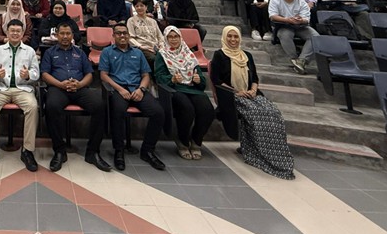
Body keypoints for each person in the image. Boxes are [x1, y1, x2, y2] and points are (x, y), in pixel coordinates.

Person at [210, 26, 294, 180]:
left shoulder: (247, 55)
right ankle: (256, 152)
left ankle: (275, 155)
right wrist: (237, 91)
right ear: (224, 37)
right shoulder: (219, 56)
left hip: (251, 93)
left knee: (273, 113)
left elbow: (254, 78)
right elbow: (217, 81)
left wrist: (254, 90)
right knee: (256, 114)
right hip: (232, 96)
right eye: (230, 37)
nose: (233, 40)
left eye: (236, 37)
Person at [41, 22, 111, 172]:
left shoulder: (80, 53)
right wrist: (61, 84)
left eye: (68, 34)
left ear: (73, 36)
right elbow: (45, 74)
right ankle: (59, 151)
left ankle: (93, 152)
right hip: (58, 88)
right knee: (51, 107)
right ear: (57, 35)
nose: (65, 36)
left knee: (99, 105)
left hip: (79, 88)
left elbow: (89, 74)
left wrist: (79, 85)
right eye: (62, 33)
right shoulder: (50, 52)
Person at [99, 22, 165, 171]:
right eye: (119, 33)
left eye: (125, 33)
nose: (122, 36)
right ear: (113, 36)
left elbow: (145, 75)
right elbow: (103, 75)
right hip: (118, 89)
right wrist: (120, 89)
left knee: (158, 112)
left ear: (129, 35)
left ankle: (147, 150)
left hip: (137, 89)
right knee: (118, 111)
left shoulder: (138, 53)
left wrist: (141, 89)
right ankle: (119, 150)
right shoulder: (107, 52)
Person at [0, 19, 40, 172]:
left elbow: (36, 73)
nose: (15, 33)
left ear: (22, 33)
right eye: (12, 30)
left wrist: (28, 75)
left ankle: (27, 150)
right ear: (7, 32)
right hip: (1, 88)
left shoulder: (30, 51)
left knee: (32, 107)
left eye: (18, 31)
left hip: (22, 89)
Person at [154, 27, 214, 160]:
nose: (174, 39)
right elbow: (159, 77)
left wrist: (199, 80)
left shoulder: (188, 53)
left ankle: (196, 140)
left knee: (207, 110)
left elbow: (201, 78)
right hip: (175, 89)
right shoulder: (162, 54)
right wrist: (172, 79)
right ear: (166, 38)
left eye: (176, 36)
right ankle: (182, 141)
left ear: (180, 37)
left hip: (192, 88)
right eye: (170, 37)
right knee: (187, 109)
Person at [268, 0, 319, 75]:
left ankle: (302, 60)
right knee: (285, 35)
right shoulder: (274, 1)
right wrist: (287, 20)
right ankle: (294, 58)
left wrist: (300, 20)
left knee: (315, 36)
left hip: (300, 26)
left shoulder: (302, 3)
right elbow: (273, 16)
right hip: (283, 25)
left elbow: (306, 19)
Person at [127, 0, 165, 68]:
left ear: (146, 7)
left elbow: (160, 36)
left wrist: (161, 46)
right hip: (141, 48)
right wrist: (141, 46)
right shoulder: (131, 20)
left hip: (155, 47)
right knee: (155, 59)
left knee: (168, 57)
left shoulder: (153, 21)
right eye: (137, 6)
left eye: (142, 6)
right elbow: (130, 38)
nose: (139, 8)